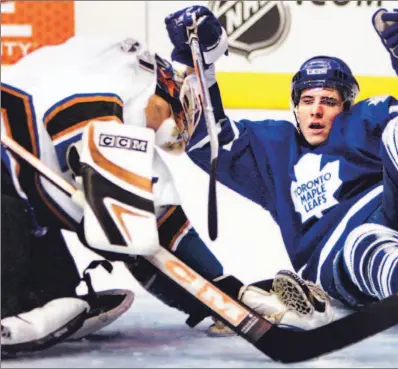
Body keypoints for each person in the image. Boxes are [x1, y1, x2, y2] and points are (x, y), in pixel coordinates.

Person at [165, 5, 398, 316]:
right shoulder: (273, 151)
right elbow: (207, 143)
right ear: (294, 106)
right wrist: (203, 65)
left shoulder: (363, 121)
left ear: (344, 106)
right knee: (366, 241)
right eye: (307, 101)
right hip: (335, 261)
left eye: (327, 101)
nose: (315, 111)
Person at [0, 35, 335, 355]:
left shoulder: (129, 131)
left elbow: (158, 237)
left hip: (20, 198)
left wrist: (229, 293)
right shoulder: (121, 68)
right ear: (167, 85)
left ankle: (27, 300)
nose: (182, 129)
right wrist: (112, 197)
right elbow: (119, 210)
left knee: (52, 289)